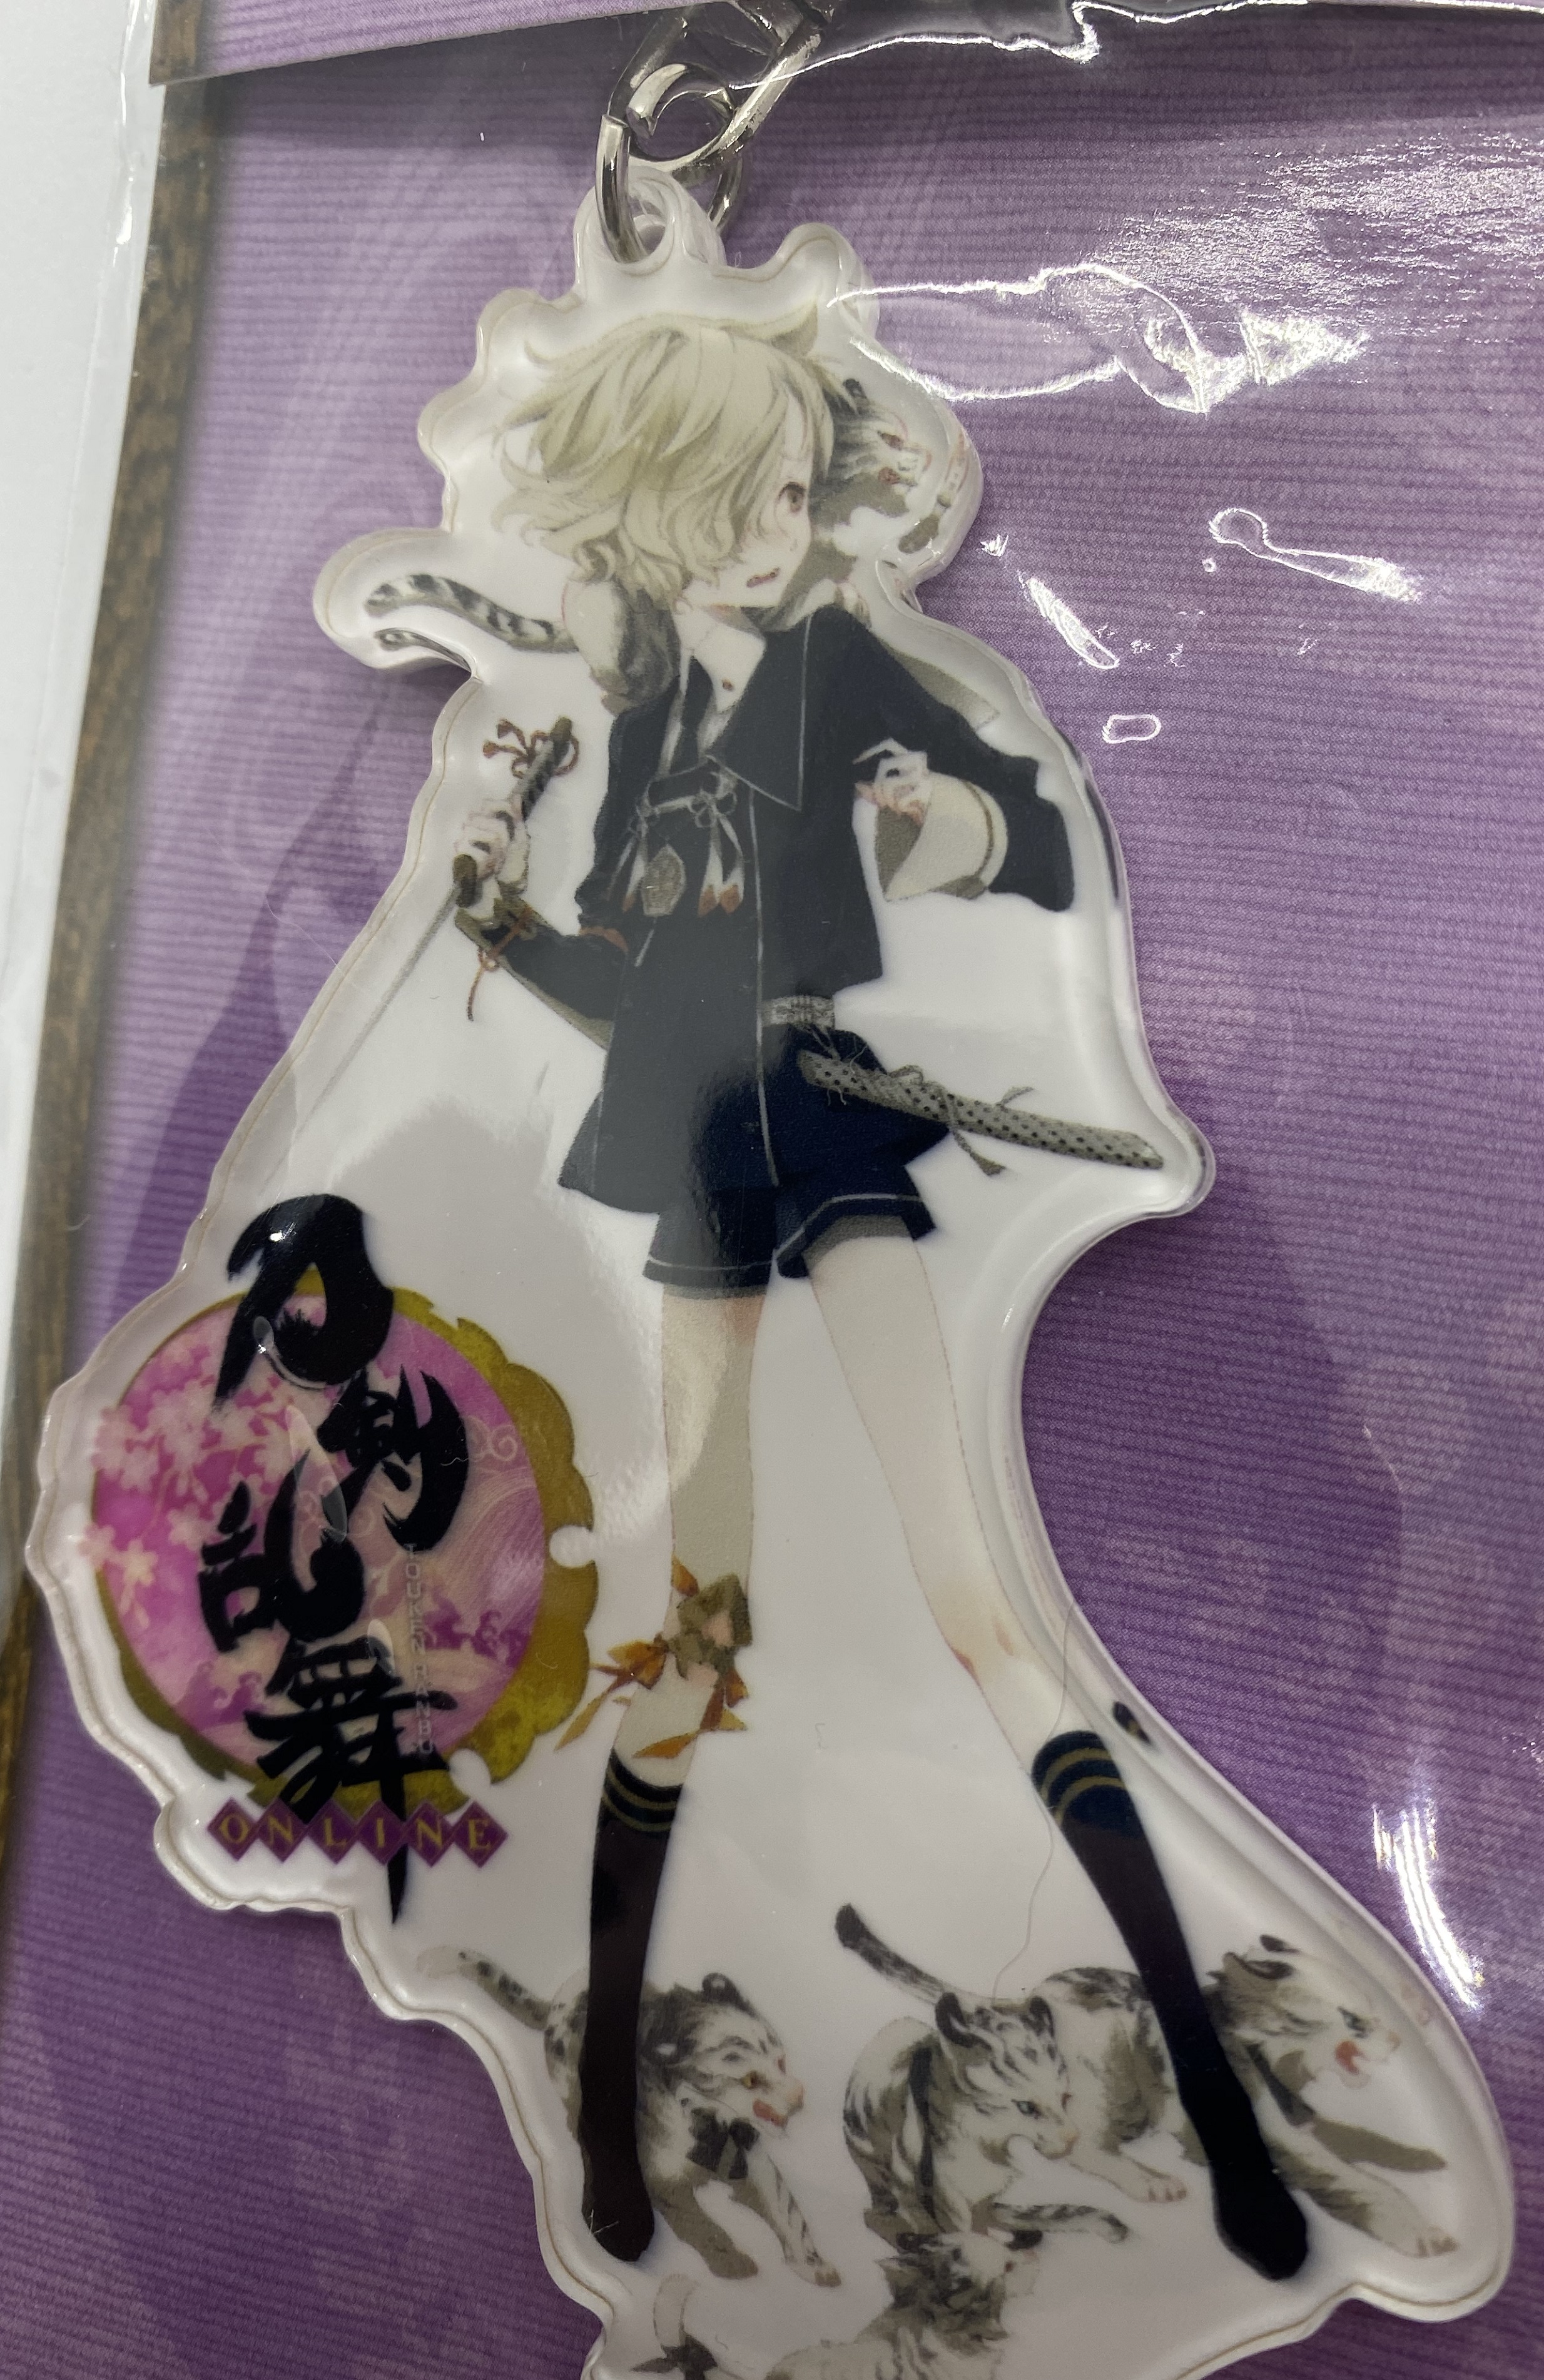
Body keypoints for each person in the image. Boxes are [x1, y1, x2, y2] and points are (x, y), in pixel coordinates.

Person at [454, 310, 1306, 2283]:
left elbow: (1020, 833)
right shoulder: (641, 724)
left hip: (830, 1123)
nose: (777, 528)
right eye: (736, 498)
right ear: (656, 510)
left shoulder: (835, 667)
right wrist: (508, 929)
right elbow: (635, 987)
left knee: (975, 1596)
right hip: (693, 1157)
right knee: (692, 1638)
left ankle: (1210, 2088)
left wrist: (943, 821)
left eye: (786, 492)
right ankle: (603, 2117)